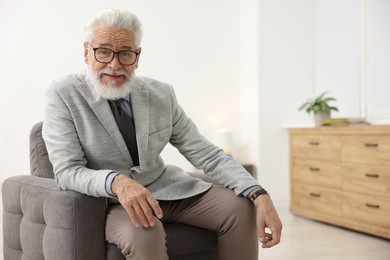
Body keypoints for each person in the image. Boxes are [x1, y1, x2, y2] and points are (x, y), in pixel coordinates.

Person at [42, 7, 282, 260]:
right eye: (103, 51)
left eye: (125, 53)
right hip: (112, 202)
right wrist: (116, 181)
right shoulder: (63, 93)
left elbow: (206, 154)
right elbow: (67, 172)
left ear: (137, 56)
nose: (114, 64)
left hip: (169, 190)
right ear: (86, 52)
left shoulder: (161, 94)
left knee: (241, 208)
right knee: (146, 232)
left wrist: (258, 193)